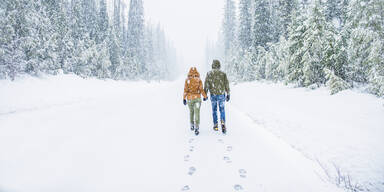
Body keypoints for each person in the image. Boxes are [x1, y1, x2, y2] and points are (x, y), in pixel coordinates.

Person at [204, 60, 230, 134]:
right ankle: (223, 122)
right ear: (219, 65)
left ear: (213, 65)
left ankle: (215, 125)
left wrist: (205, 94)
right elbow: (226, 84)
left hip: (213, 95)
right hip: (221, 94)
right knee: (222, 109)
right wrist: (228, 93)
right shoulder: (223, 74)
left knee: (214, 110)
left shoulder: (209, 73)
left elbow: (206, 84)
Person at [183, 67, 208, 135]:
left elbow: (185, 90)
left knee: (191, 112)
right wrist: (205, 96)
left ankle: (192, 124)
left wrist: (184, 98)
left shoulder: (187, 80)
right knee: (197, 112)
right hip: (197, 98)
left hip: (190, 98)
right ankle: (197, 126)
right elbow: (201, 89)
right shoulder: (198, 80)